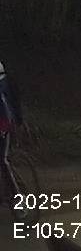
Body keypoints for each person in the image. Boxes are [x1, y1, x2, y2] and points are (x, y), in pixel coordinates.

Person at [0, 59, 22, 205]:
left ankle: (18, 197)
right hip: (9, 122)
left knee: (2, 159)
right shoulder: (8, 82)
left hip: (4, 124)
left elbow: (6, 109)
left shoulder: (4, 85)